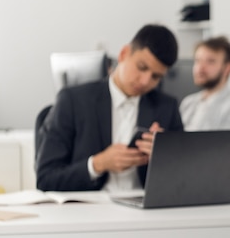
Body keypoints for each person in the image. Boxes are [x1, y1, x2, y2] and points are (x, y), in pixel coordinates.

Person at [36, 24, 184, 192]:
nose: (145, 81)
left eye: (156, 77)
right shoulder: (73, 101)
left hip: (145, 211)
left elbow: (183, 180)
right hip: (88, 210)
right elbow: (45, 179)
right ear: (123, 54)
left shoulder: (167, 107)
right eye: (141, 67)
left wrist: (165, 157)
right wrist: (98, 164)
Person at [179, 36, 230, 130]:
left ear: (228, 68)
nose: (200, 68)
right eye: (197, 60)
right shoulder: (188, 102)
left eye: (210, 61)